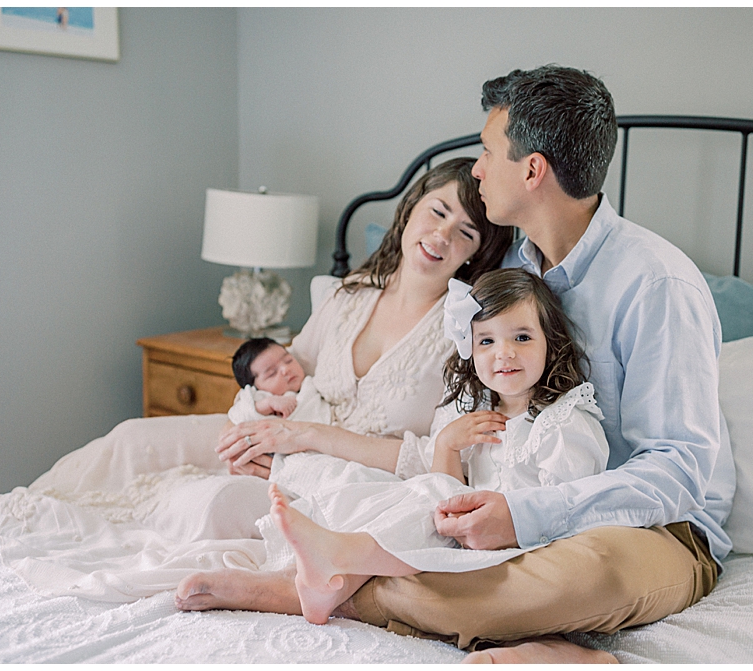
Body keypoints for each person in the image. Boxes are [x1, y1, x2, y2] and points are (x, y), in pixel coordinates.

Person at [196, 65, 735, 665]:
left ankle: (325, 590)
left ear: (532, 170)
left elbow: (680, 470)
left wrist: (527, 516)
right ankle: (562, 648)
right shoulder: (512, 277)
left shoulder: (656, 283)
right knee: (427, 523)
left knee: (587, 573)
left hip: (654, 529)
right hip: (512, 492)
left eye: (486, 151)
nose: (477, 169)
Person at [175, 156, 515, 609]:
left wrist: (309, 434)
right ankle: (310, 569)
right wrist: (242, 434)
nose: (442, 235)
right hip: (294, 473)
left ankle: (286, 590)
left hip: (377, 491)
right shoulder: (348, 294)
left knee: (417, 513)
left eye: (466, 232)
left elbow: (445, 461)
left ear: (476, 251)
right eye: (438, 211)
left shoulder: (467, 332)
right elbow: (284, 373)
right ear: (411, 207)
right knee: (210, 500)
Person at [264, 268, 609, 625]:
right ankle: (333, 585)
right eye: (486, 341)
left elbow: (571, 511)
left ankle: (340, 554)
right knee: (408, 492)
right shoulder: (475, 411)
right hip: (464, 538)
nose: (504, 353)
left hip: (522, 555)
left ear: (550, 342)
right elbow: (445, 495)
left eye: (521, 337)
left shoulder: (564, 421)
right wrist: (446, 446)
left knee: (423, 499)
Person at [226, 337, 330, 424]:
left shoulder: (310, 384)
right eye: (272, 373)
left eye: (288, 361)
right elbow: (237, 415)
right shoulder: (258, 397)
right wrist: (267, 405)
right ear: (255, 386)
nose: (286, 369)